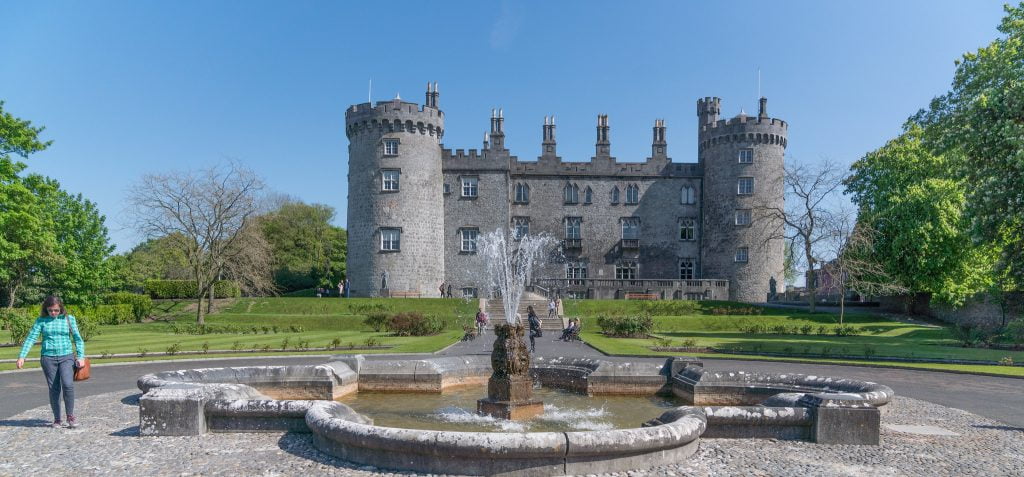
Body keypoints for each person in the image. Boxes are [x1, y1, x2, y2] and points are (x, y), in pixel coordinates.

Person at [16, 296, 86, 429]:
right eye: (50, 310)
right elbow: (31, 338)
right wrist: (22, 356)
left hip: (66, 356)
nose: (53, 313)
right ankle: (57, 419)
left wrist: (81, 356)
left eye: (56, 310)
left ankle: (70, 416)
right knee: (54, 389)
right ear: (46, 310)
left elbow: (78, 339)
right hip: (48, 358)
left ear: (61, 309)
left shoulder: (68, 319)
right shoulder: (41, 321)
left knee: (68, 384)